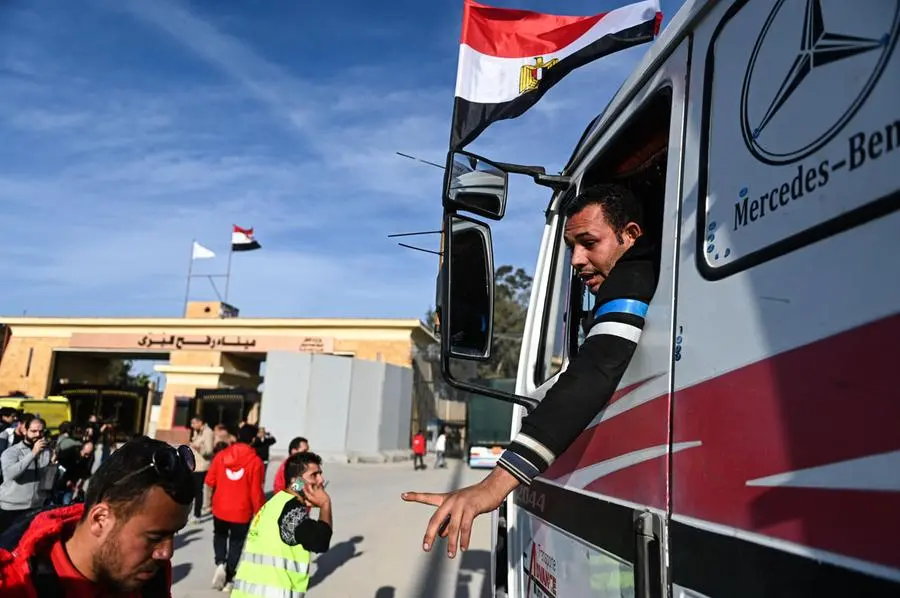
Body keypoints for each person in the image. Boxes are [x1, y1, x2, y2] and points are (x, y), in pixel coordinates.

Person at [403, 183, 656, 558]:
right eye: (572, 247)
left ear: (631, 235)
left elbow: (594, 370)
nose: (576, 260)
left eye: (589, 242)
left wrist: (493, 487)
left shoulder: (633, 276)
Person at [0, 436, 195, 597]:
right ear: (100, 519)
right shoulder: (14, 584)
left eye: (173, 534)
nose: (166, 553)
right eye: (155, 537)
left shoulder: (152, 578)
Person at [231, 452, 333, 597]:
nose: (321, 480)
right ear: (296, 481)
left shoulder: (275, 502)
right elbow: (320, 542)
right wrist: (325, 504)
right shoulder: (292, 511)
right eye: (314, 475)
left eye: (320, 474)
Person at [205, 423, 265, 591]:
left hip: (220, 508)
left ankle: (220, 563)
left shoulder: (221, 455)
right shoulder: (256, 462)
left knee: (220, 535)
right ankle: (230, 577)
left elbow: (209, 481)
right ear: (253, 440)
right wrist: (260, 513)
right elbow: (256, 492)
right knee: (236, 543)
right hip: (242, 511)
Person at [0, 416, 53, 532]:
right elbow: (10, 474)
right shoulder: (12, 452)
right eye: (33, 431)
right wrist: (33, 453)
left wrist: (53, 465)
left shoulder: (46, 451)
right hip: (12, 508)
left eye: (41, 431)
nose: (38, 434)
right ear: (25, 431)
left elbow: (47, 480)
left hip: (35, 507)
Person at [188, 416, 214, 522]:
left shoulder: (208, 432)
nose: (192, 425)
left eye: (194, 423)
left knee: (198, 491)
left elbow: (209, 451)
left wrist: (198, 448)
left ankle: (197, 515)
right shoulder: (197, 431)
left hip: (202, 466)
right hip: (194, 465)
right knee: (193, 490)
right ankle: (193, 512)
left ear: (200, 422)